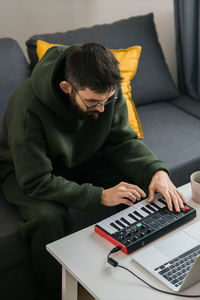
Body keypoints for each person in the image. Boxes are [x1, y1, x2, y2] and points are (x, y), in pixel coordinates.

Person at [0, 43, 186, 299]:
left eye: (106, 101)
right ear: (66, 87)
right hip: (29, 171)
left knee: (141, 187)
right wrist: (99, 195)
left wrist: (156, 172)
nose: (101, 109)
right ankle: (57, 292)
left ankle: (147, 267)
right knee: (47, 220)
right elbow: (35, 181)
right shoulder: (26, 108)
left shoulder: (107, 91)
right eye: (92, 102)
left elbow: (121, 141)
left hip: (84, 157)